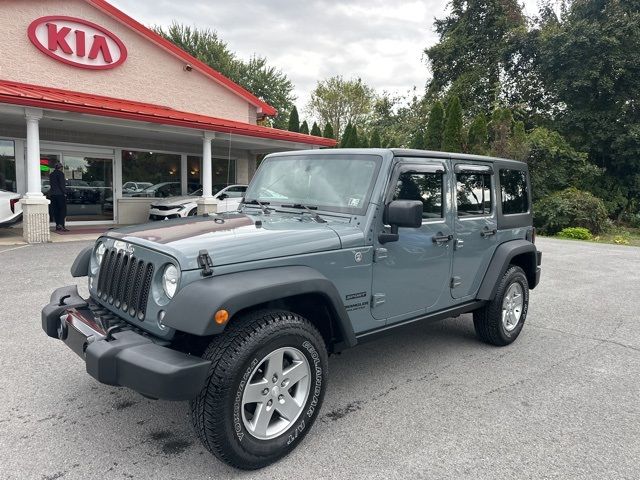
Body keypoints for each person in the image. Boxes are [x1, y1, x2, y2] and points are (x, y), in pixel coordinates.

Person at [49, 163, 68, 231]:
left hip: (53, 194)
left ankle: (57, 225)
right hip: (60, 194)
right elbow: (61, 184)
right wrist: (65, 193)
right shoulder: (60, 174)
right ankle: (61, 225)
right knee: (62, 210)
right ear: (61, 168)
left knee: (56, 210)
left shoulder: (51, 174)